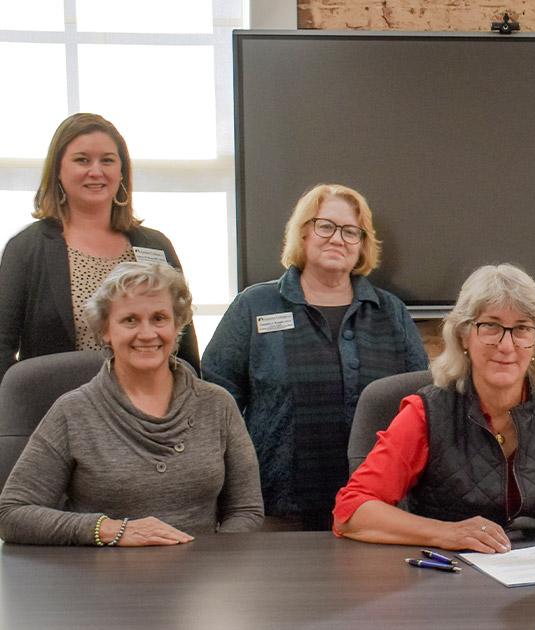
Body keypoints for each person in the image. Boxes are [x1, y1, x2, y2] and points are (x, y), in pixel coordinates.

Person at [203, 184, 428, 531]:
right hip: (276, 509)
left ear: (362, 244)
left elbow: (422, 403)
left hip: (376, 509)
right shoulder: (254, 306)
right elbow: (216, 400)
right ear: (303, 232)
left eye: (351, 231)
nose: (338, 239)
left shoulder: (391, 313)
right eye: (326, 226)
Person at [333, 264, 535, 552]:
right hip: (449, 581)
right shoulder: (425, 414)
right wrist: (446, 534)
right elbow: (351, 512)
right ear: (464, 336)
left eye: (522, 328)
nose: (506, 345)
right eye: (490, 326)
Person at [0, 262, 263, 545]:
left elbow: (245, 510)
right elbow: (12, 514)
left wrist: (211, 560)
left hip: (198, 579)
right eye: (130, 320)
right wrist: (109, 530)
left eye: (159, 318)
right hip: (100, 579)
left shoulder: (217, 404)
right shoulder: (73, 411)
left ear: (177, 327)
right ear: (105, 331)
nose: (147, 333)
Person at [0, 113, 200, 383]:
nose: (96, 171)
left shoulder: (154, 246)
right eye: (82, 160)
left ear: (121, 171)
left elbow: (184, 348)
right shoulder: (26, 249)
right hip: (57, 413)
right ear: (58, 169)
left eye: (107, 160)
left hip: (147, 416)